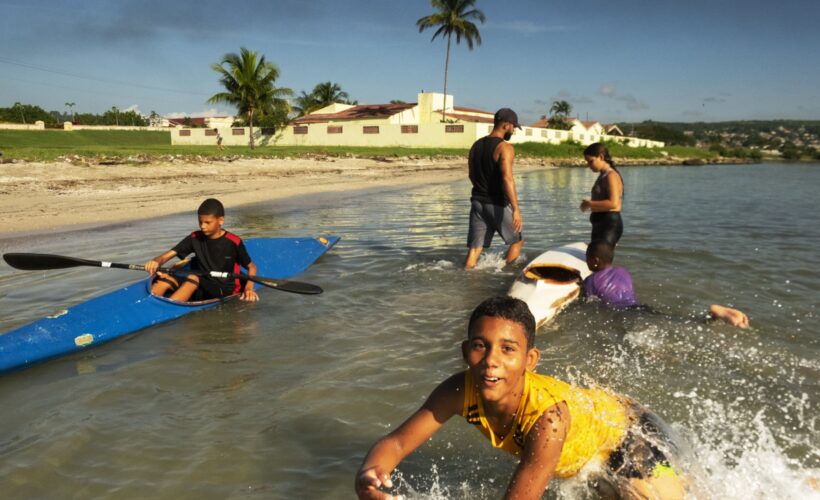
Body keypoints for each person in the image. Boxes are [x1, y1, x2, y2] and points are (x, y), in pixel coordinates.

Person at [355, 296, 686, 499]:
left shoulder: (548, 420)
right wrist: (368, 475)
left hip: (629, 434)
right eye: (480, 345)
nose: (491, 360)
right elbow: (396, 445)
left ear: (530, 360)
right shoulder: (458, 391)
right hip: (591, 452)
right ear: (465, 351)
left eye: (508, 349)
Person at [584, 240, 750, 328]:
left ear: (595, 261)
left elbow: (589, 301)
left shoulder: (590, 280)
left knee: (624, 333)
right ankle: (712, 317)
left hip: (624, 312)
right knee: (670, 318)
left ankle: (712, 316)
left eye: (587, 259)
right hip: (638, 306)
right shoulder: (622, 271)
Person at [144, 198, 259, 302]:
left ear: (221, 221)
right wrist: (156, 261)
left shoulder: (233, 242)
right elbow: (166, 256)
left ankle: (166, 310)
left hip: (224, 289)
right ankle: (147, 306)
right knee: (165, 278)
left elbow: (251, 267)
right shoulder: (195, 238)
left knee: (193, 277)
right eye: (200, 222)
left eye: (207, 222)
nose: (202, 226)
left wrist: (248, 288)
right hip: (201, 283)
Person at [464, 108, 525, 269]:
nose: (514, 130)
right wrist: (516, 209)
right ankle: (508, 276)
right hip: (497, 202)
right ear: (506, 125)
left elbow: (471, 174)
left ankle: (467, 279)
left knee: (475, 249)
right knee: (517, 241)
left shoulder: (476, 145)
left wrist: (482, 190)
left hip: (477, 202)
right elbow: (507, 179)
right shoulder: (505, 148)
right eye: (513, 127)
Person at [580, 143, 624, 247]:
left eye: (591, 161)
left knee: (601, 258)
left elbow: (613, 203)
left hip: (609, 224)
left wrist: (590, 204)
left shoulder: (611, 176)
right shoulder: (603, 175)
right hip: (601, 223)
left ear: (601, 157)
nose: (589, 165)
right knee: (595, 257)